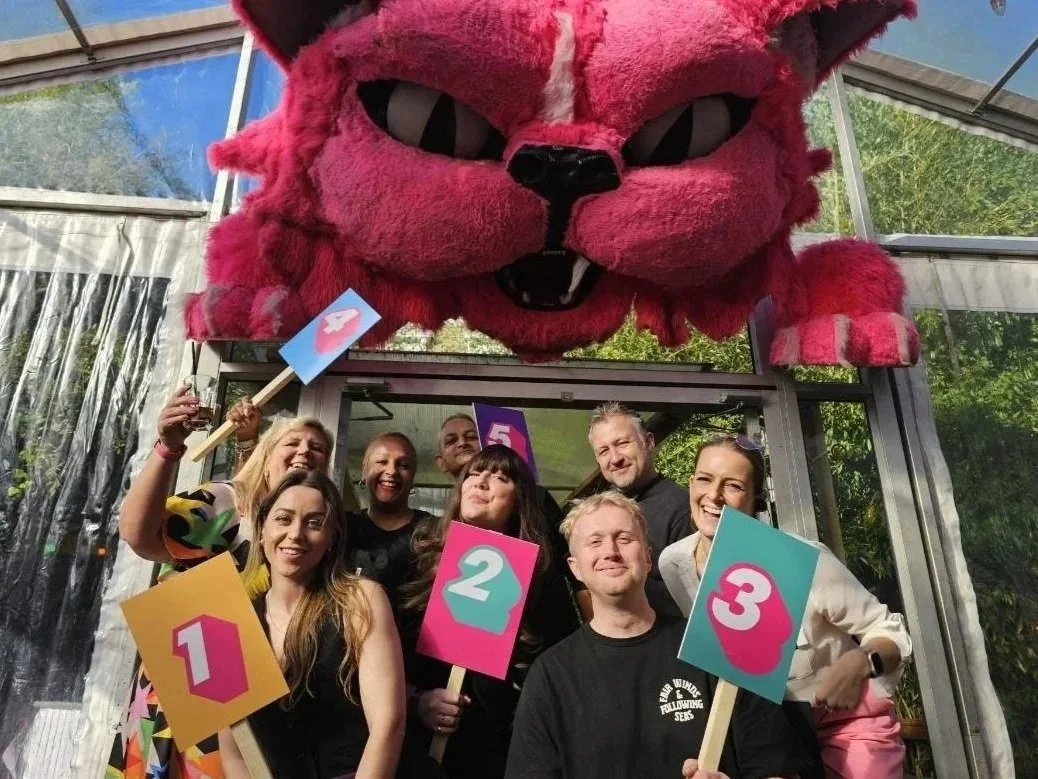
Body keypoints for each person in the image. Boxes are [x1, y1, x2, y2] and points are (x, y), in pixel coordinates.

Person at [505, 492, 813, 779]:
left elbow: (777, 768)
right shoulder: (550, 676)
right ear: (575, 569)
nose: (610, 551)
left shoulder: (718, 649)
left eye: (624, 538)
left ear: (648, 557)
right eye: (595, 542)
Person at [111, 385, 334, 779]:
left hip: (263, 702)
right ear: (267, 458)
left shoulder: (318, 534)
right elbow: (138, 534)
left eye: (317, 448)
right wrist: (167, 448)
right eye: (293, 442)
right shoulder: (230, 505)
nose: (305, 451)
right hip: (192, 688)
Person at [659, 435, 913, 779]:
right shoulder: (674, 564)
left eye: (733, 485)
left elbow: (890, 632)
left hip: (844, 725)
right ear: (691, 484)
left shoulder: (801, 561)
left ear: (756, 499)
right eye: (705, 479)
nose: (714, 495)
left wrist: (861, 663)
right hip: (764, 732)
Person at [401, 444, 581, 779]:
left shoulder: (540, 580)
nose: (481, 482)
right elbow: (386, 658)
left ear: (519, 500)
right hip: (417, 753)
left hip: (497, 756)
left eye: (500, 477)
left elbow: (560, 667)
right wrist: (417, 701)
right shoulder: (419, 558)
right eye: (474, 473)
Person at [218, 470, 405, 778]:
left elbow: (388, 724)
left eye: (314, 523)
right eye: (283, 519)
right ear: (262, 530)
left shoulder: (360, 599)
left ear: (332, 537)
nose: (296, 533)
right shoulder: (233, 622)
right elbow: (235, 749)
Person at [436, 413, 589, 617]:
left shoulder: (538, 500)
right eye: (474, 474)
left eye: (472, 436)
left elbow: (571, 564)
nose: (462, 443)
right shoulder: (433, 539)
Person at [587, 402, 691, 618]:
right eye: (604, 451)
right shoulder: (597, 512)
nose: (615, 458)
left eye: (622, 443)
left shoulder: (683, 507)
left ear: (649, 442)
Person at [345, 432, 436, 609]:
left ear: (413, 476)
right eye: (381, 462)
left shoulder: (434, 531)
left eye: (404, 465)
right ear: (365, 469)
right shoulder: (343, 528)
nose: (392, 471)